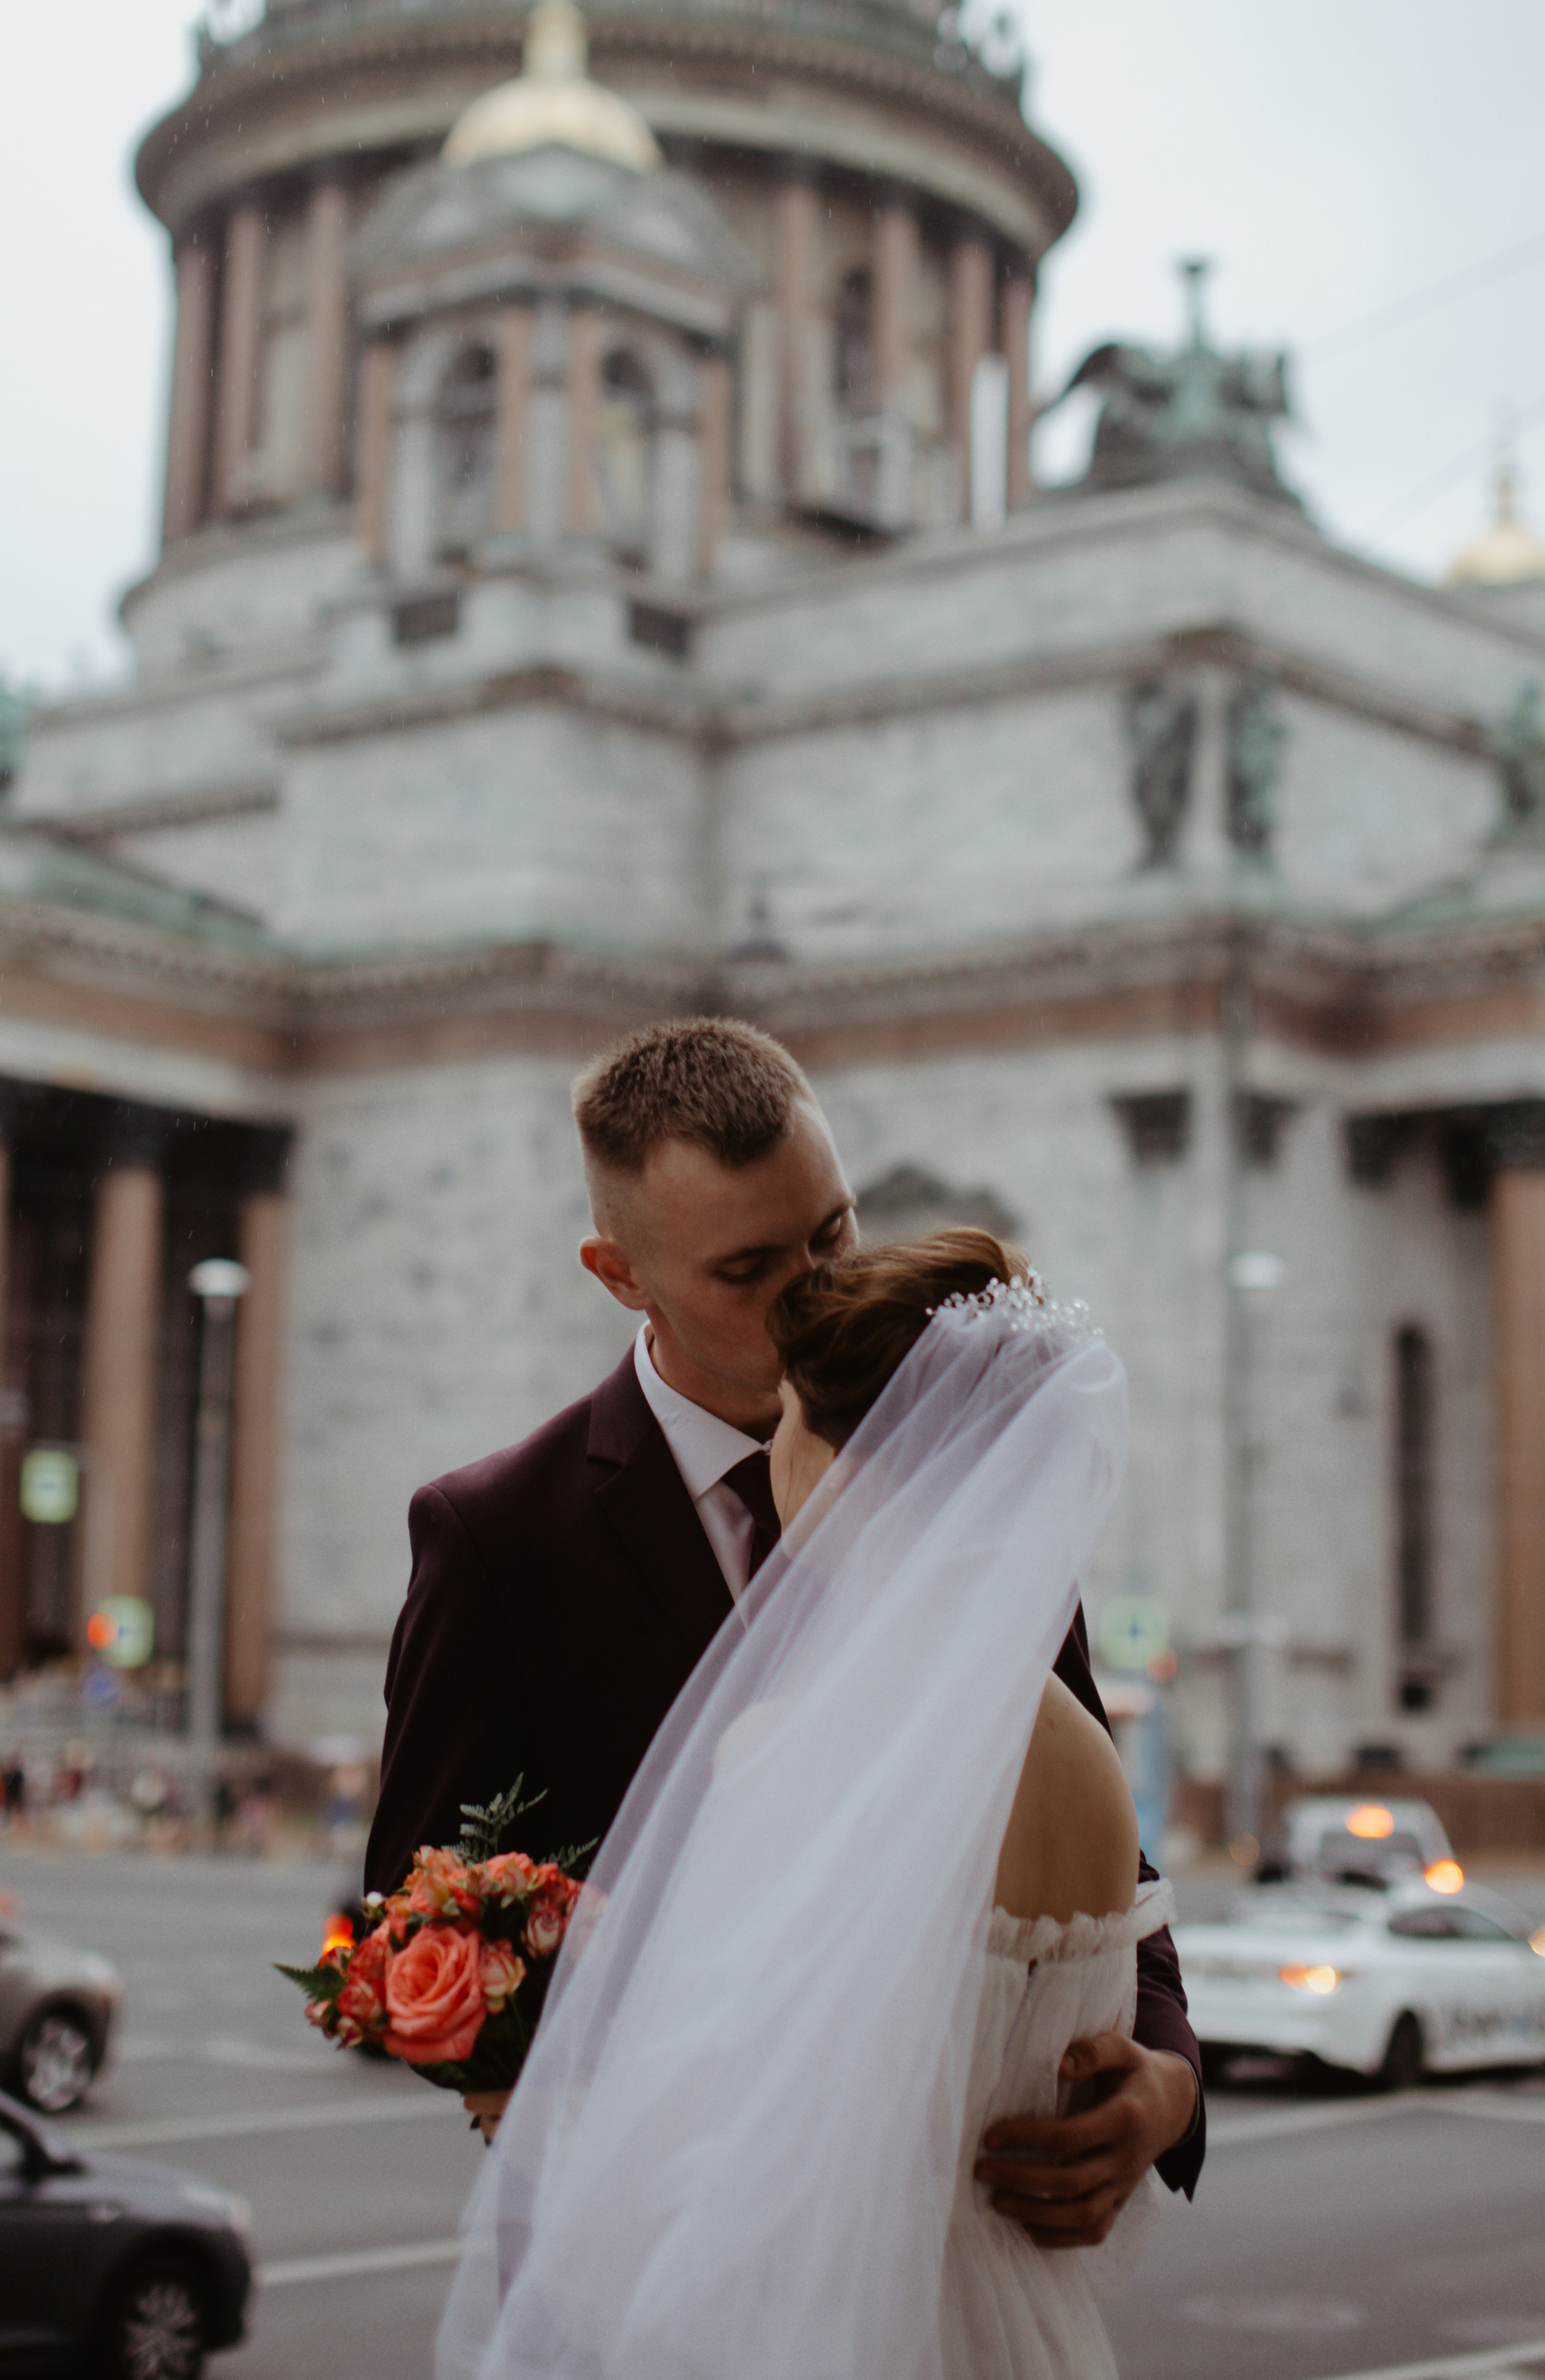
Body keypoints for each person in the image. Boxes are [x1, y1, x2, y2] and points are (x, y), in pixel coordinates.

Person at [367, 1016, 1201, 2224]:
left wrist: (1164, 2086)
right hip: (639, 2255)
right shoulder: (498, 1537)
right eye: (749, 1270)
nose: (815, 1294)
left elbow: (1109, 1859)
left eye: (833, 1233)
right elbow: (415, 1919)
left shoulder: (963, 1490)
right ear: (622, 1275)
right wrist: (545, 2113)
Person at [437, 1231, 1169, 2380]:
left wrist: (541, 2112)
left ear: (855, 1470)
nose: (775, 1449)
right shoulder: (1078, 1749)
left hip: (819, 2321)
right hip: (1008, 2317)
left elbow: (774, 2143)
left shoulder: (806, 1735)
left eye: (788, 1421)